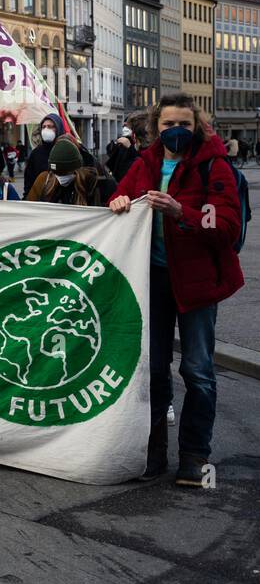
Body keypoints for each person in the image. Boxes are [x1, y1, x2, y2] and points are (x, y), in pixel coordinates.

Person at [110, 95, 243, 487]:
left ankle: (194, 455)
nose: (176, 131)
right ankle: (152, 451)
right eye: (168, 124)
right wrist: (117, 202)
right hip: (154, 280)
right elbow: (118, 201)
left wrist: (180, 212)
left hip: (199, 284)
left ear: (197, 125)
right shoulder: (145, 164)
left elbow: (227, 224)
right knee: (153, 370)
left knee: (198, 370)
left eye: (184, 123)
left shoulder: (214, 165)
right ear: (157, 127)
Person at [25, 137, 112, 205]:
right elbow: (30, 207)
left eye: (65, 172)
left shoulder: (92, 183)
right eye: (56, 173)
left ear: (76, 169)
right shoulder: (45, 180)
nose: (60, 177)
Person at [106, 113, 148, 183]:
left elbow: (142, 165)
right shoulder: (126, 141)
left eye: (126, 126)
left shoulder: (147, 147)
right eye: (124, 125)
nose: (124, 128)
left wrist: (130, 148)